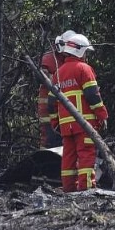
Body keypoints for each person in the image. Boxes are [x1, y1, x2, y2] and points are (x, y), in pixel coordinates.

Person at [48, 33, 108, 192]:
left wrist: (55, 123)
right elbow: (92, 95)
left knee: (68, 158)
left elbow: (50, 102)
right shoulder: (84, 69)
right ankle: (87, 190)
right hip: (84, 125)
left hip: (66, 127)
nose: (87, 56)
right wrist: (102, 115)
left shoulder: (57, 74)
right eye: (86, 52)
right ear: (80, 51)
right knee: (86, 156)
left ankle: (69, 189)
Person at [37, 30, 75, 148]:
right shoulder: (48, 60)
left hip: (65, 110)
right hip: (48, 110)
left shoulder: (71, 59)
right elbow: (42, 79)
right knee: (49, 140)